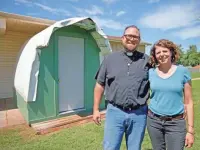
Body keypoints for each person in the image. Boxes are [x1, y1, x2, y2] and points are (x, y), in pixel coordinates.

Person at [93, 25, 150, 150]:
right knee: (110, 147)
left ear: (139, 40)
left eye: (135, 36)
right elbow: (99, 84)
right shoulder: (110, 59)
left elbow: (160, 81)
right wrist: (96, 109)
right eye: (129, 35)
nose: (132, 39)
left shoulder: (147, 61)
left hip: (139, 114)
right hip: (115, 112)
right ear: (122, 38)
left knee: (135, 148)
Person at [147, 39, 194, 150]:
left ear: (171, 52)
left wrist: (190, 130)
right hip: (154, 122)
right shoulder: (151, 72)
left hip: (176, 123)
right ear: (154, 56)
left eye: (165, 51)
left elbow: (189, 102)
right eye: (158, 52)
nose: (162, 55)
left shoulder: (183, 72)